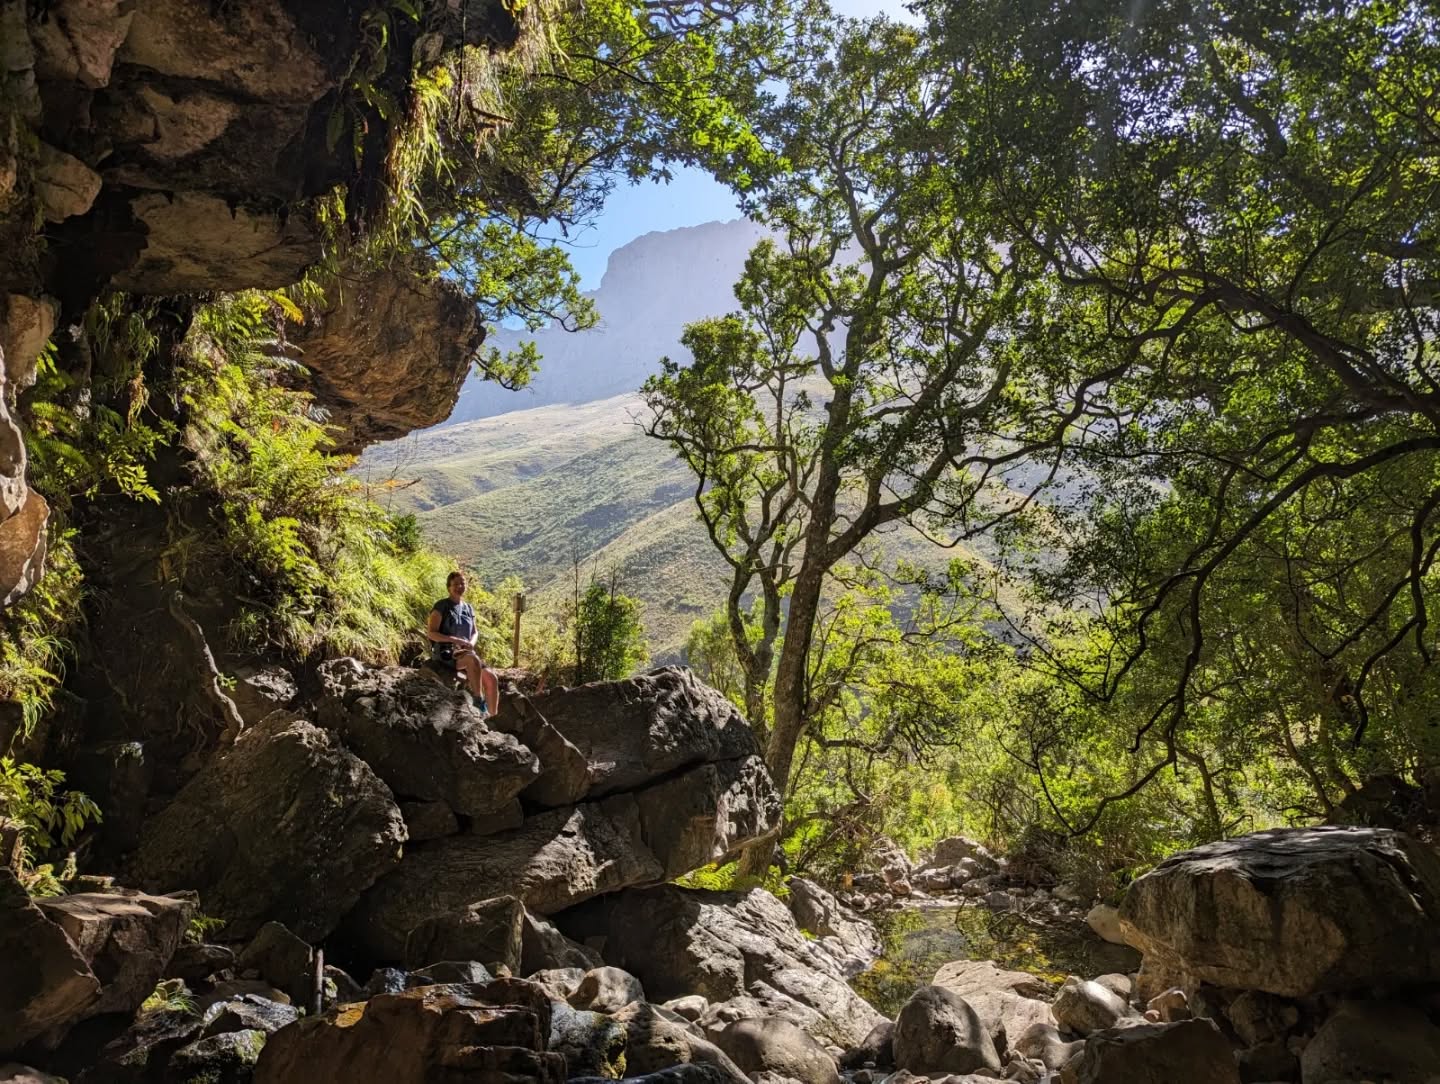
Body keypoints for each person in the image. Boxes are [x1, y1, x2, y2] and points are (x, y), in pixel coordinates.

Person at [426, 571, 500, 719]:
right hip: (446, 651)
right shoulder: (441, 606)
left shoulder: (468, 608)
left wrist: (471, 643)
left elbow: (475, 632)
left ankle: (492, 717)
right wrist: (456, 641)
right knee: (473, 661)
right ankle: (478, 700)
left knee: (492, 679)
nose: (460, 586)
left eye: (463, 583)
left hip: (466, 652)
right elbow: (431, 633)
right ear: (449, 587)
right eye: (456, 584)